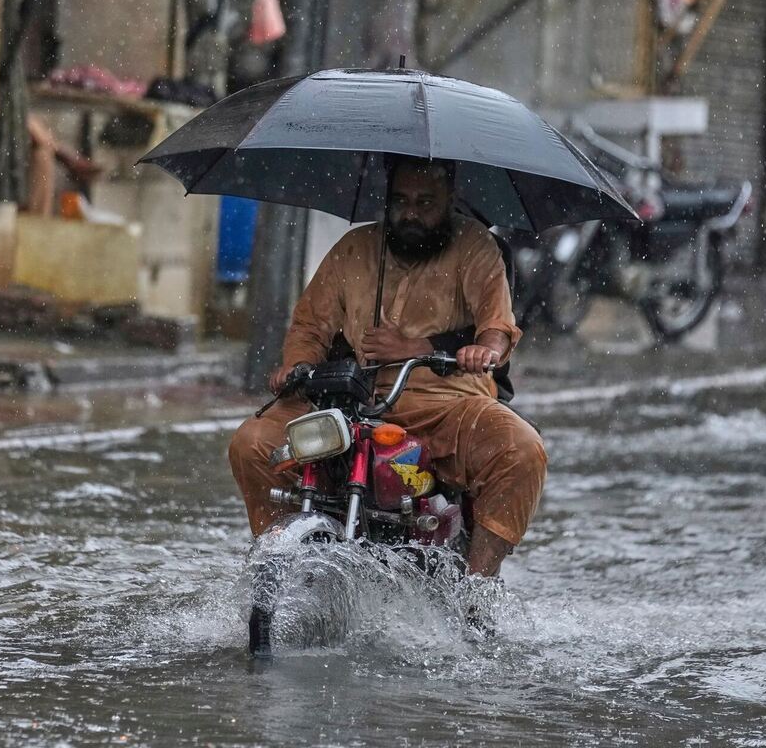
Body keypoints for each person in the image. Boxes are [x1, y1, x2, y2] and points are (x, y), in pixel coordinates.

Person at [228, 156, 548, 577]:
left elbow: (497, 328)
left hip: (445, 401)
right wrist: (298, 366)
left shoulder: (476, 247)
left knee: (521, 450)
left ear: (450, 199)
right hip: (351, 401)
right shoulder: (353, 249)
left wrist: (475, 349)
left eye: (425, 202)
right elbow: (310, 324)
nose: (411, 212)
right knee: (251, 442)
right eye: (400, 200)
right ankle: (280, 569)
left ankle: (479, 587)